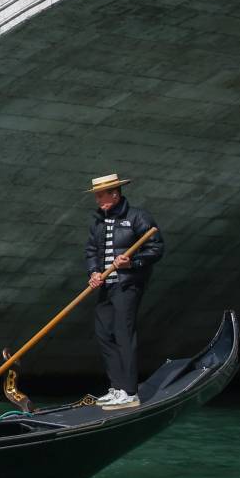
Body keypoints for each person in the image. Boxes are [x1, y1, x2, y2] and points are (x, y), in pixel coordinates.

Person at [83, 173, 164, 411]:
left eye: (101, 195)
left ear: (115, 193)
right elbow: (90, 251)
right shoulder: (97, 221)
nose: (98, 200)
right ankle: (117, 387)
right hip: (106, 286)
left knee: (123, 334)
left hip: (128, 285)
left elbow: (156, 248)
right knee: (103, 333)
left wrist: (133, 262)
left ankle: (129, 392)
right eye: (96, 196)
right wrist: (94, 272)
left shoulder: (138, 216)